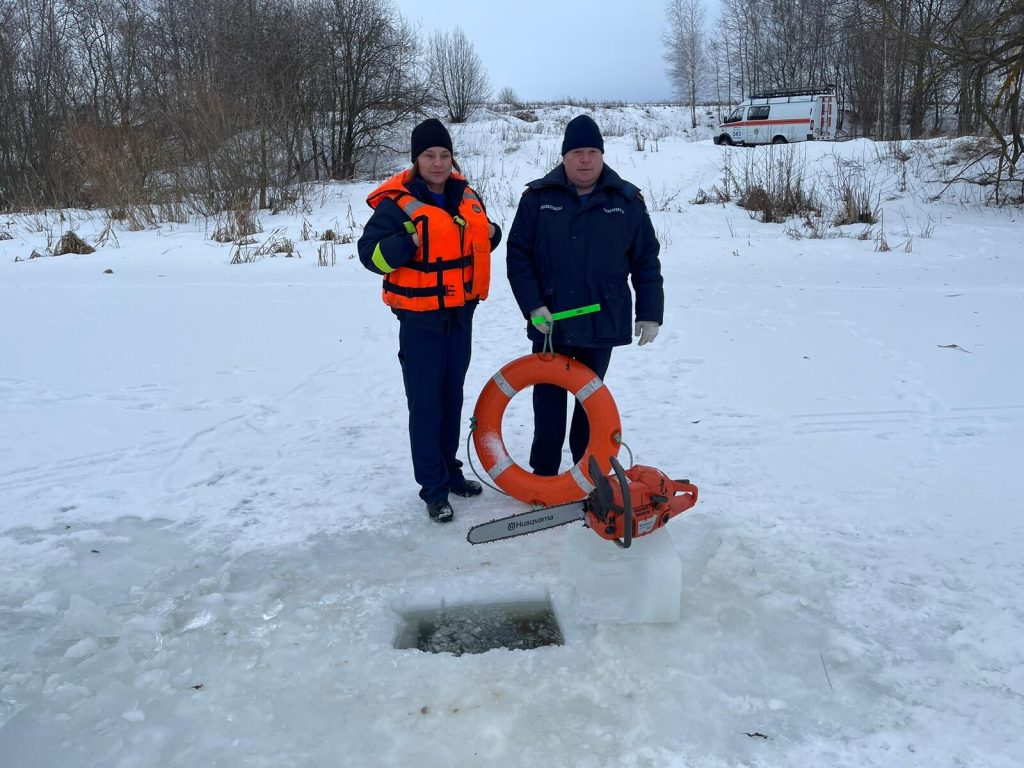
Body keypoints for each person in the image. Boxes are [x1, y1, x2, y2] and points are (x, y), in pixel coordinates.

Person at [358, 118, 502, 523]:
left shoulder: (465, 194)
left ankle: (450, 471)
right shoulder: (397, 204)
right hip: (421, 322)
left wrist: (492, 233)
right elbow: (370, 254)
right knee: (425, 405)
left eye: (444, 155)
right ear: (416, 160)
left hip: (460, 316)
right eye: (429, 155)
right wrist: (405, 244)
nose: (438, 163)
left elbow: (476, 241)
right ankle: (434, 490)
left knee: (451, 399)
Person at [505, 114, 664, 477]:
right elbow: (518, 256)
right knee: (548, 402)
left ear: (602, 155)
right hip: (551, 320)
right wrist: (532, 305)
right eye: (577, 152)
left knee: (590, 401)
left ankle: (586, 473)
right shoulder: (538, 199)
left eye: (592, 151)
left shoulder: (626, 201)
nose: (585, 159)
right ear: (564, 156)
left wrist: (650, 312)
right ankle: (544, 474)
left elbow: (645, 260)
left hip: (601, 318)